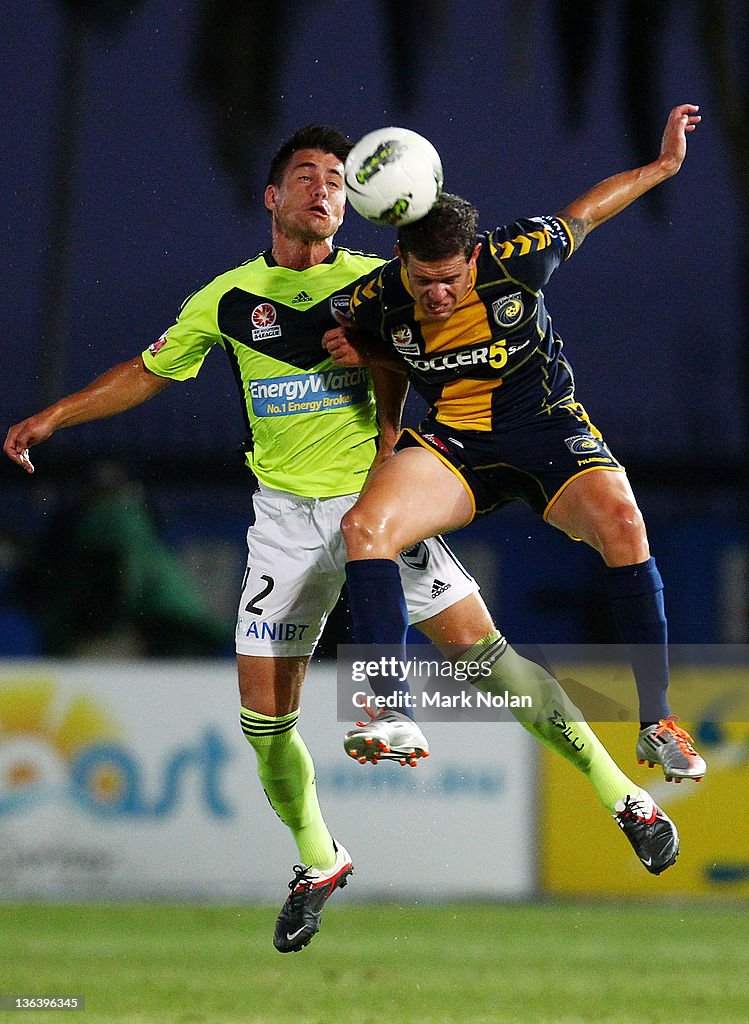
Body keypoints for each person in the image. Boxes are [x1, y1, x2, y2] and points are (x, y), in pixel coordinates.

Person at [5, 126, 679, 956]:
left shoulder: (381, 282)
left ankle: (625, 799)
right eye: (305, 176)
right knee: (263, 717)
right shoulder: (226, 299)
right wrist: (55, 415)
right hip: (284, 524)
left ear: (355, 200)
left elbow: (456, 346)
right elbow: (150, 370)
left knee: (488, 662)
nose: (323, 189)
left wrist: (414, 422)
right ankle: (319, 859)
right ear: (273, 197)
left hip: (374, 504)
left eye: (335, 178)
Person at [325, 103, 707, 786]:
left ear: (474, 255)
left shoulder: (516, 257)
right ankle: (390, 712)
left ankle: (655, 724)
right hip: (456, 444)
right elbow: (380, 354)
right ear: (399, 260)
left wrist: (663, 165)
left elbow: (586, 211)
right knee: (364, 525)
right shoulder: (374, 299)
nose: (437, 294)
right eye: (423, 280)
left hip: (547, 428)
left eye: (451, 278)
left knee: (623, 523)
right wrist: (380, 416)